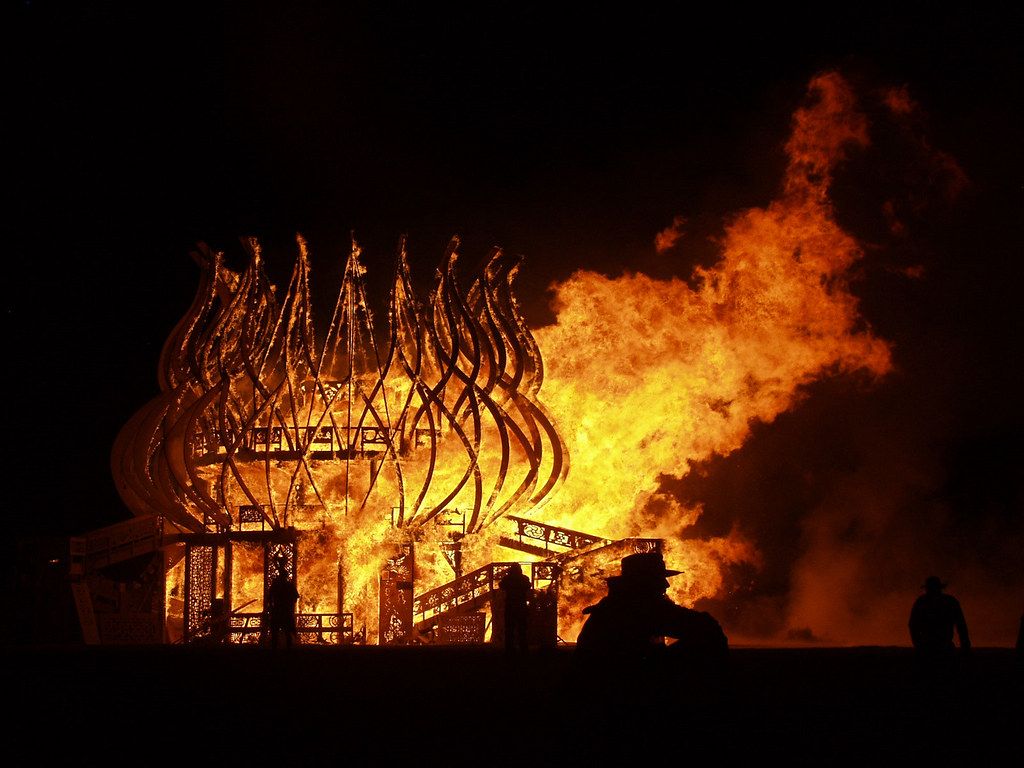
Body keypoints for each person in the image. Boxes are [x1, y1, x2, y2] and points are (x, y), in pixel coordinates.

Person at [575, 552, 728, 672]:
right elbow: (705, 627)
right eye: (658, 578)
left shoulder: (614, 605)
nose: (666, 584)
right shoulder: (639, 607)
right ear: (642, 582)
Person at [909, 576, 970, 659]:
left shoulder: (921, 602)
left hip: (926, 647)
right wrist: (965, 646)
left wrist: (918, 644)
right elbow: (961, 626)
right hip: (944, 646)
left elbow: (913, 625)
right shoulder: (950, 602)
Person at [498, 563, 533, 653]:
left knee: (509, 629)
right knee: (522, 629)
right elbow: (529, 586)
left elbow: (501, 586)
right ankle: (523, 648)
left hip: (510, 606)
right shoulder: (524, 578)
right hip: (521, 606)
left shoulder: (507, 579)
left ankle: (509, 649)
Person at [266, 557, 300, 649]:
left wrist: (270, 607)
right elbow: (295, 597)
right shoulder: (289, 585)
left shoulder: (276, 585)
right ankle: (288, 650)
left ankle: (275, 650)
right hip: (285, 611)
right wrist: (290, 606)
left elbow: (269, 597)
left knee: (275, 631)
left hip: (277, 610)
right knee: (287, 631)